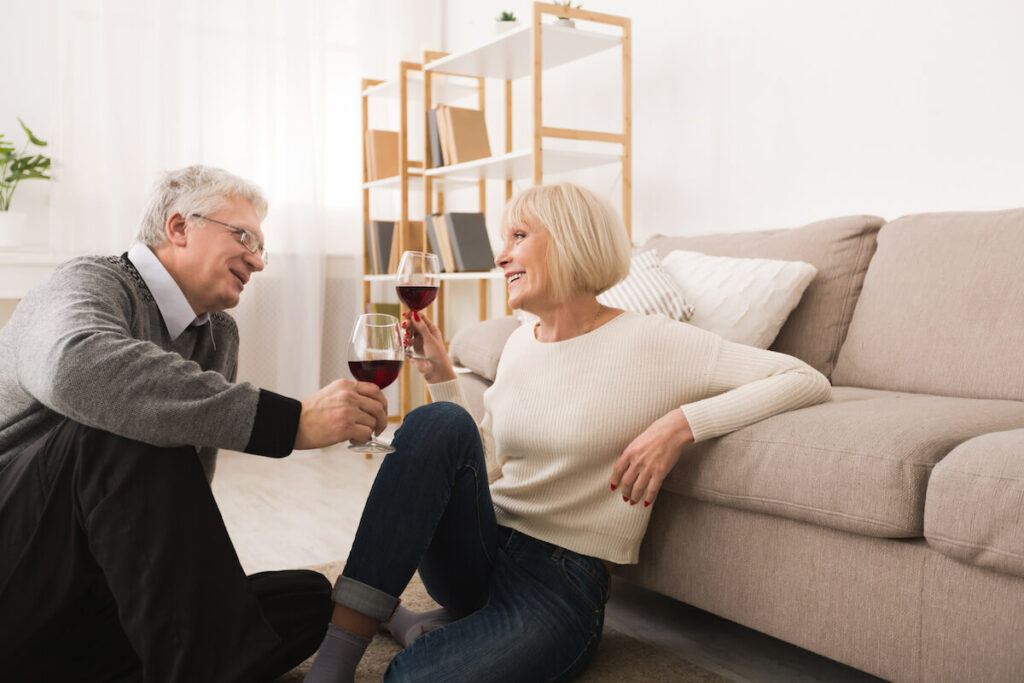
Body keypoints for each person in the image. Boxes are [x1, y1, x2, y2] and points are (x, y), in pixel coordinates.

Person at [305, 182, 832, 683]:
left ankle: (418, 626)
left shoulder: (657, 342)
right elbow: (485, 464)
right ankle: (337, 657)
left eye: (518, 236)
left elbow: (801, 377)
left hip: (560, 580)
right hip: (483, 545)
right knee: (436, 421)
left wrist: (681, 425)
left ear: (572, 239)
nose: (501, 257)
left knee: (419, 676)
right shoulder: (518, 342)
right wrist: (443, 377)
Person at [0, 165, 389, 682]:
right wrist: (291, 421)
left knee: (310, 600)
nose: (257, 259)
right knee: (128, 422)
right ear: (179, 227)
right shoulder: (88, 281)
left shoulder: (216, 334)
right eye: (244, 236)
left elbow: (177, 499)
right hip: (19, 563)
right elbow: (74, 368)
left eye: (262, 247)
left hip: (91, 590)